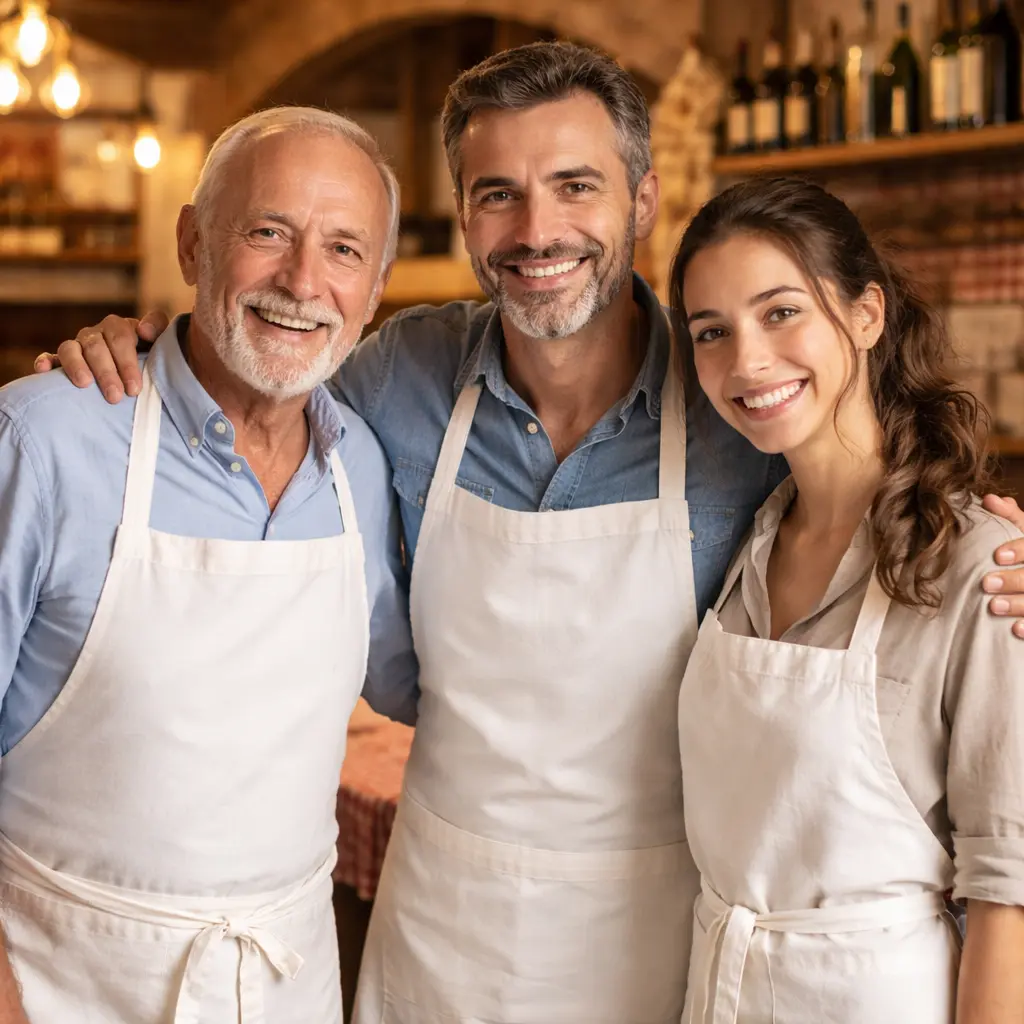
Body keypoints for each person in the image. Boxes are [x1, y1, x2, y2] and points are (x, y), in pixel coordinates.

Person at [38, 44, 1024, 1023]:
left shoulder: (733, 402)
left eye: (574, 185)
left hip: (656, 947)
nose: (535, 228)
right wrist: (135, 358)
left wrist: (990, 537)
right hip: (439, 933)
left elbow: (877, 478)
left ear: (640, 200)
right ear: (464, 214)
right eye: (496, 193)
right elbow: (263, 356)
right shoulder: (399, 378)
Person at [0, 106, 418, 1024]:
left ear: (376, 289)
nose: (303, 281)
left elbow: (414, 681)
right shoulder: (45, 435)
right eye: (268, 232)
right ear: (193, 242)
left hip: (284, 984)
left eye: (345, 250)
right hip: (60, 983)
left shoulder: (361, 465)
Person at [670, 176, 1024, 1024]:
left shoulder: (979, 565)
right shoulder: (745, 541)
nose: (746, 361)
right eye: (711, 332)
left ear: (866, 315)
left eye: (781, 311)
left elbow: (1006, 899)